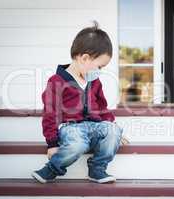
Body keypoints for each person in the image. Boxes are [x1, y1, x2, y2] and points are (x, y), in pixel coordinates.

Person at [31, 21, 128, 184]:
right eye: (100, 66)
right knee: (78, 144)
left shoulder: (94, 82)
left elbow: (102, 108)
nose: (100, 71)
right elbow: (50, 113)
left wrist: (114, 128)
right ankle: (52, 168)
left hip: (94, 126)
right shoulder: (57, 82)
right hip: (71, 128)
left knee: (113, 130)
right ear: (84, 58)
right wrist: (52, 143)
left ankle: (97, 168)